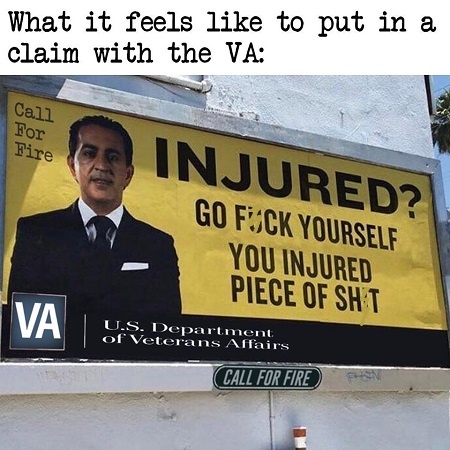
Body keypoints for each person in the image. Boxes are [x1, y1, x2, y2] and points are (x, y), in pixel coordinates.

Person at [8, 115, 182, 333]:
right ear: (72, 166)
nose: (101, 166)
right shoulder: (37, 233)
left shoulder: (157, 245)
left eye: (113, 157)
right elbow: (29, 332)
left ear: (128, 174)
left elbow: (165, 333)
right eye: (90, 154)